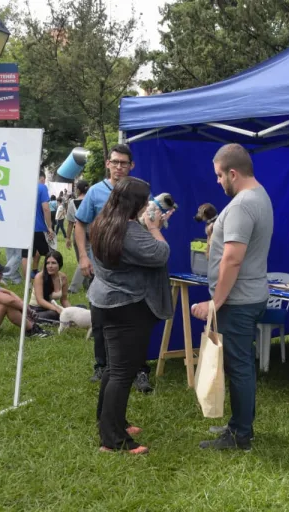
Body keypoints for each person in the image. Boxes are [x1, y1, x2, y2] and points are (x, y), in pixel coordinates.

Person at [191, 143, 273, 452]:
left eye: (219, 175)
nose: (217, 181)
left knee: (239, 367)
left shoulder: (241, 205)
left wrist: (216, 302)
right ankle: (240, 424)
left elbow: (232, 259)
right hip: (247, 297)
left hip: (238, 301)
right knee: (242, 365)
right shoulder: (259, 196)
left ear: (233, 173)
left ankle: (240, 436)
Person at [90, 177, 172, 455]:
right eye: (145, 200)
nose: (149, 204)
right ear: (135, 203)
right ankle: (113, 440)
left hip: (107, 302)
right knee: (123, 372)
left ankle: (111, 422)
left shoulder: (103, 222)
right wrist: (154, 228)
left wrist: (147, 226)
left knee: (115, 368)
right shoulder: (129, 230)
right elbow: (160, 253)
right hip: (128, 306)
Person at [74, 144, 154, 392]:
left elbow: (146, 226)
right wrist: (83, 258)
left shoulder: (138, 192)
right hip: (101, 267)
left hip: (130, 270)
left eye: (124, 163)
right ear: (108, 163)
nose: (119, 167)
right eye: (115, 162)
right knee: (100, 319)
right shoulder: (96, 192)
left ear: (131, 166)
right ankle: (102, 366)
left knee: (136, 322)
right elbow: (80, 224)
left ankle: (140, 370)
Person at [22, 171, 55, 280]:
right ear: (42, 178)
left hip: (25, 227)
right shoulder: (42, 188)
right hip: (39, 227)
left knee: (26, 255)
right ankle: (45, 277)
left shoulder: (25, 187)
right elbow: (46, 208)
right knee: (49, 253)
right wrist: (49, 226)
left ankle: (28, 281)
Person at [28, 250, 72, 324]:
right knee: (55, 313)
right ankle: (33, 319)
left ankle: (62, 319)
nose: (50, 266)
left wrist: (72, 311)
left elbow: (64, 300)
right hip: (37, 309)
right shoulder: (39, 276)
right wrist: (56, 308)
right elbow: (40, 301)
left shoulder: (63, 277)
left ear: (60, 264)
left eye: (53, 263)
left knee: (81, 307)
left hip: (51, 308)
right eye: (48, 263)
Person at [66, 179, 91, 294]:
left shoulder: (72, 203)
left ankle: (73, 288)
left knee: (82, 259)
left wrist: (67, 238)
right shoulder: (92, 200)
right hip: (91, 231)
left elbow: (70, 222)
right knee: (84, 259)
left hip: (78, 232)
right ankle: (87, 284)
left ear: (78, 189)